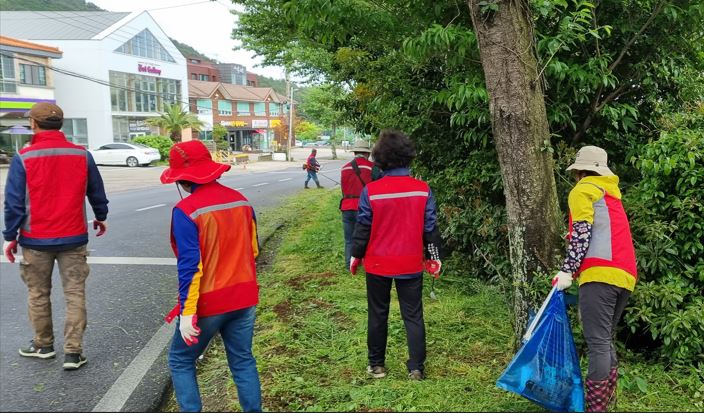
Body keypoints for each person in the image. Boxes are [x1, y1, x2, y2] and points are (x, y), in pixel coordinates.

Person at [2, 102, 109, 370]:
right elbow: (96, 190)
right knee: (75, 293)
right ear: (60, 124)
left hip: (35, 239)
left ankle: (43, 345)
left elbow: (14, 203)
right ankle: (73, 353)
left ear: (33, 124)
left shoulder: (24, 157)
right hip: (73, 237)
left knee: (38, 293)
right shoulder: (81, 155)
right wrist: (100, 215)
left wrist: (9, 237)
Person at [161, 140, 262, 412]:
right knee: (242, 360)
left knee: (181, 361)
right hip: (245, 297)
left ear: (182, 179)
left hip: (208, 304)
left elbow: (190, 268)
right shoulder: (242, 202)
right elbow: (253, 251)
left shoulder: (186, 211)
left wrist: (187, 311)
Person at [349, 130, 442, 381]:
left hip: (378, 263)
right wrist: (434, 257)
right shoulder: (422, 190)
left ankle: (376, 365)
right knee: (413, 314)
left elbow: (363, 227)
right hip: (411, 262)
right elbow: (430, 228)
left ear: (380, 159)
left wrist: (355, 255)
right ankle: (416, 368)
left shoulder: (372, 191)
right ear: (408, 157)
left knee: (378, 313)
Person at [552, 146, 637, 412]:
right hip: (625, 276)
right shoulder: (611, 195)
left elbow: (582, 233)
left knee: (598, 342)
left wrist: (567, 270)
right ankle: (607, 403)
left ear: (578, 171)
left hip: (599, 275)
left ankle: (596, 408)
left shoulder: (582, 190)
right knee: (606, 339)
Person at [339, 140, 376, 268]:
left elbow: (343, 190)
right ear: (367, 154)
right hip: (364, 208)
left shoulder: (344, 168)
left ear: (354, 152)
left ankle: (349, 264)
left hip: (347, 206)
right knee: (367, 237)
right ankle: (367, 264)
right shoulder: (372, 167)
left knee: (349, 239)